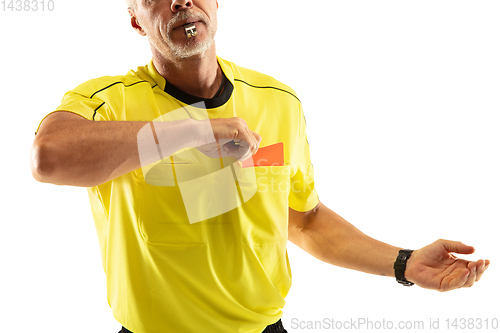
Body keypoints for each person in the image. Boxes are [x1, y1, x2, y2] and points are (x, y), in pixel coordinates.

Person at [30, 0, 490, 332]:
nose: (180, 2)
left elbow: (303, 221)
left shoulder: (276, 101)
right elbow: (48, 157)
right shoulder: (109, 101)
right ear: (136, 19)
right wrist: (189, 130)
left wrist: (403, 263)